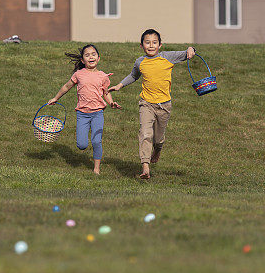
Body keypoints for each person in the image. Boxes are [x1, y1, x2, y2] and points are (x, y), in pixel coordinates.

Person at [108, 29, 195, 179]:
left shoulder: (167, 57)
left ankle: (158, 149)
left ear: (160, 45)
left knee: (158, 138)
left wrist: (191, 49)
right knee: (145, 133)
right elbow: (133, 76)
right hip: (146, 104)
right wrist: (119, 85)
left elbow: (186, 52)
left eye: (154, 42)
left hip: (164, 105)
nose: (151, 45)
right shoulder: (140, 62)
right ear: (141, 45)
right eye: (147, 42)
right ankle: (145, 167)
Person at [48, 44, 121, 175]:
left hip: (98, 113)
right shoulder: (79, 74)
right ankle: (87, 151)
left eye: (93, 54)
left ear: (98, 58)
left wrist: (111, 103)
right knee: (81, 145)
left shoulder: (102, 76)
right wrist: (55, 98)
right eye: (87, 55)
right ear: (82, 60)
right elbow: (66, 86)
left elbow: (106, 92)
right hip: (82, 114)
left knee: (96, 141)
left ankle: (96, 168)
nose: (91, 57)